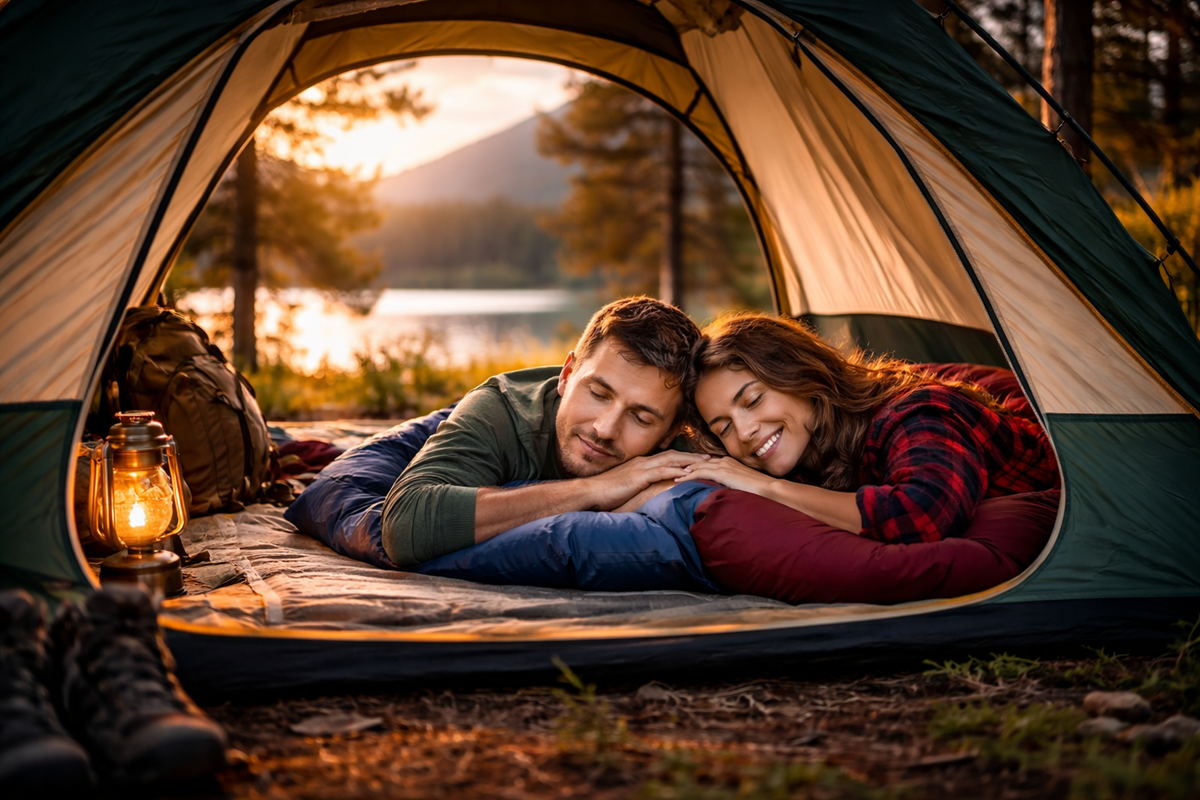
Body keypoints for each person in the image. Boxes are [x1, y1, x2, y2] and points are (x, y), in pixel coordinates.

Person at [380, 296, 708, 568]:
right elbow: (406, 525)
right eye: (598, 394)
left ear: (671, 432)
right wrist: (594, 490)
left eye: (640, 418)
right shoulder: (499, 410)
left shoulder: (688, 443)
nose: (605, 429)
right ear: (566, 375)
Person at [680, 313, 1059, 543]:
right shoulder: (810, 451)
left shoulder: (916, 415)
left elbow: (922, 515)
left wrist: (769, 487)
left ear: (802, 377)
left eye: (753, 400)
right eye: (723, 426)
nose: (744, 432)